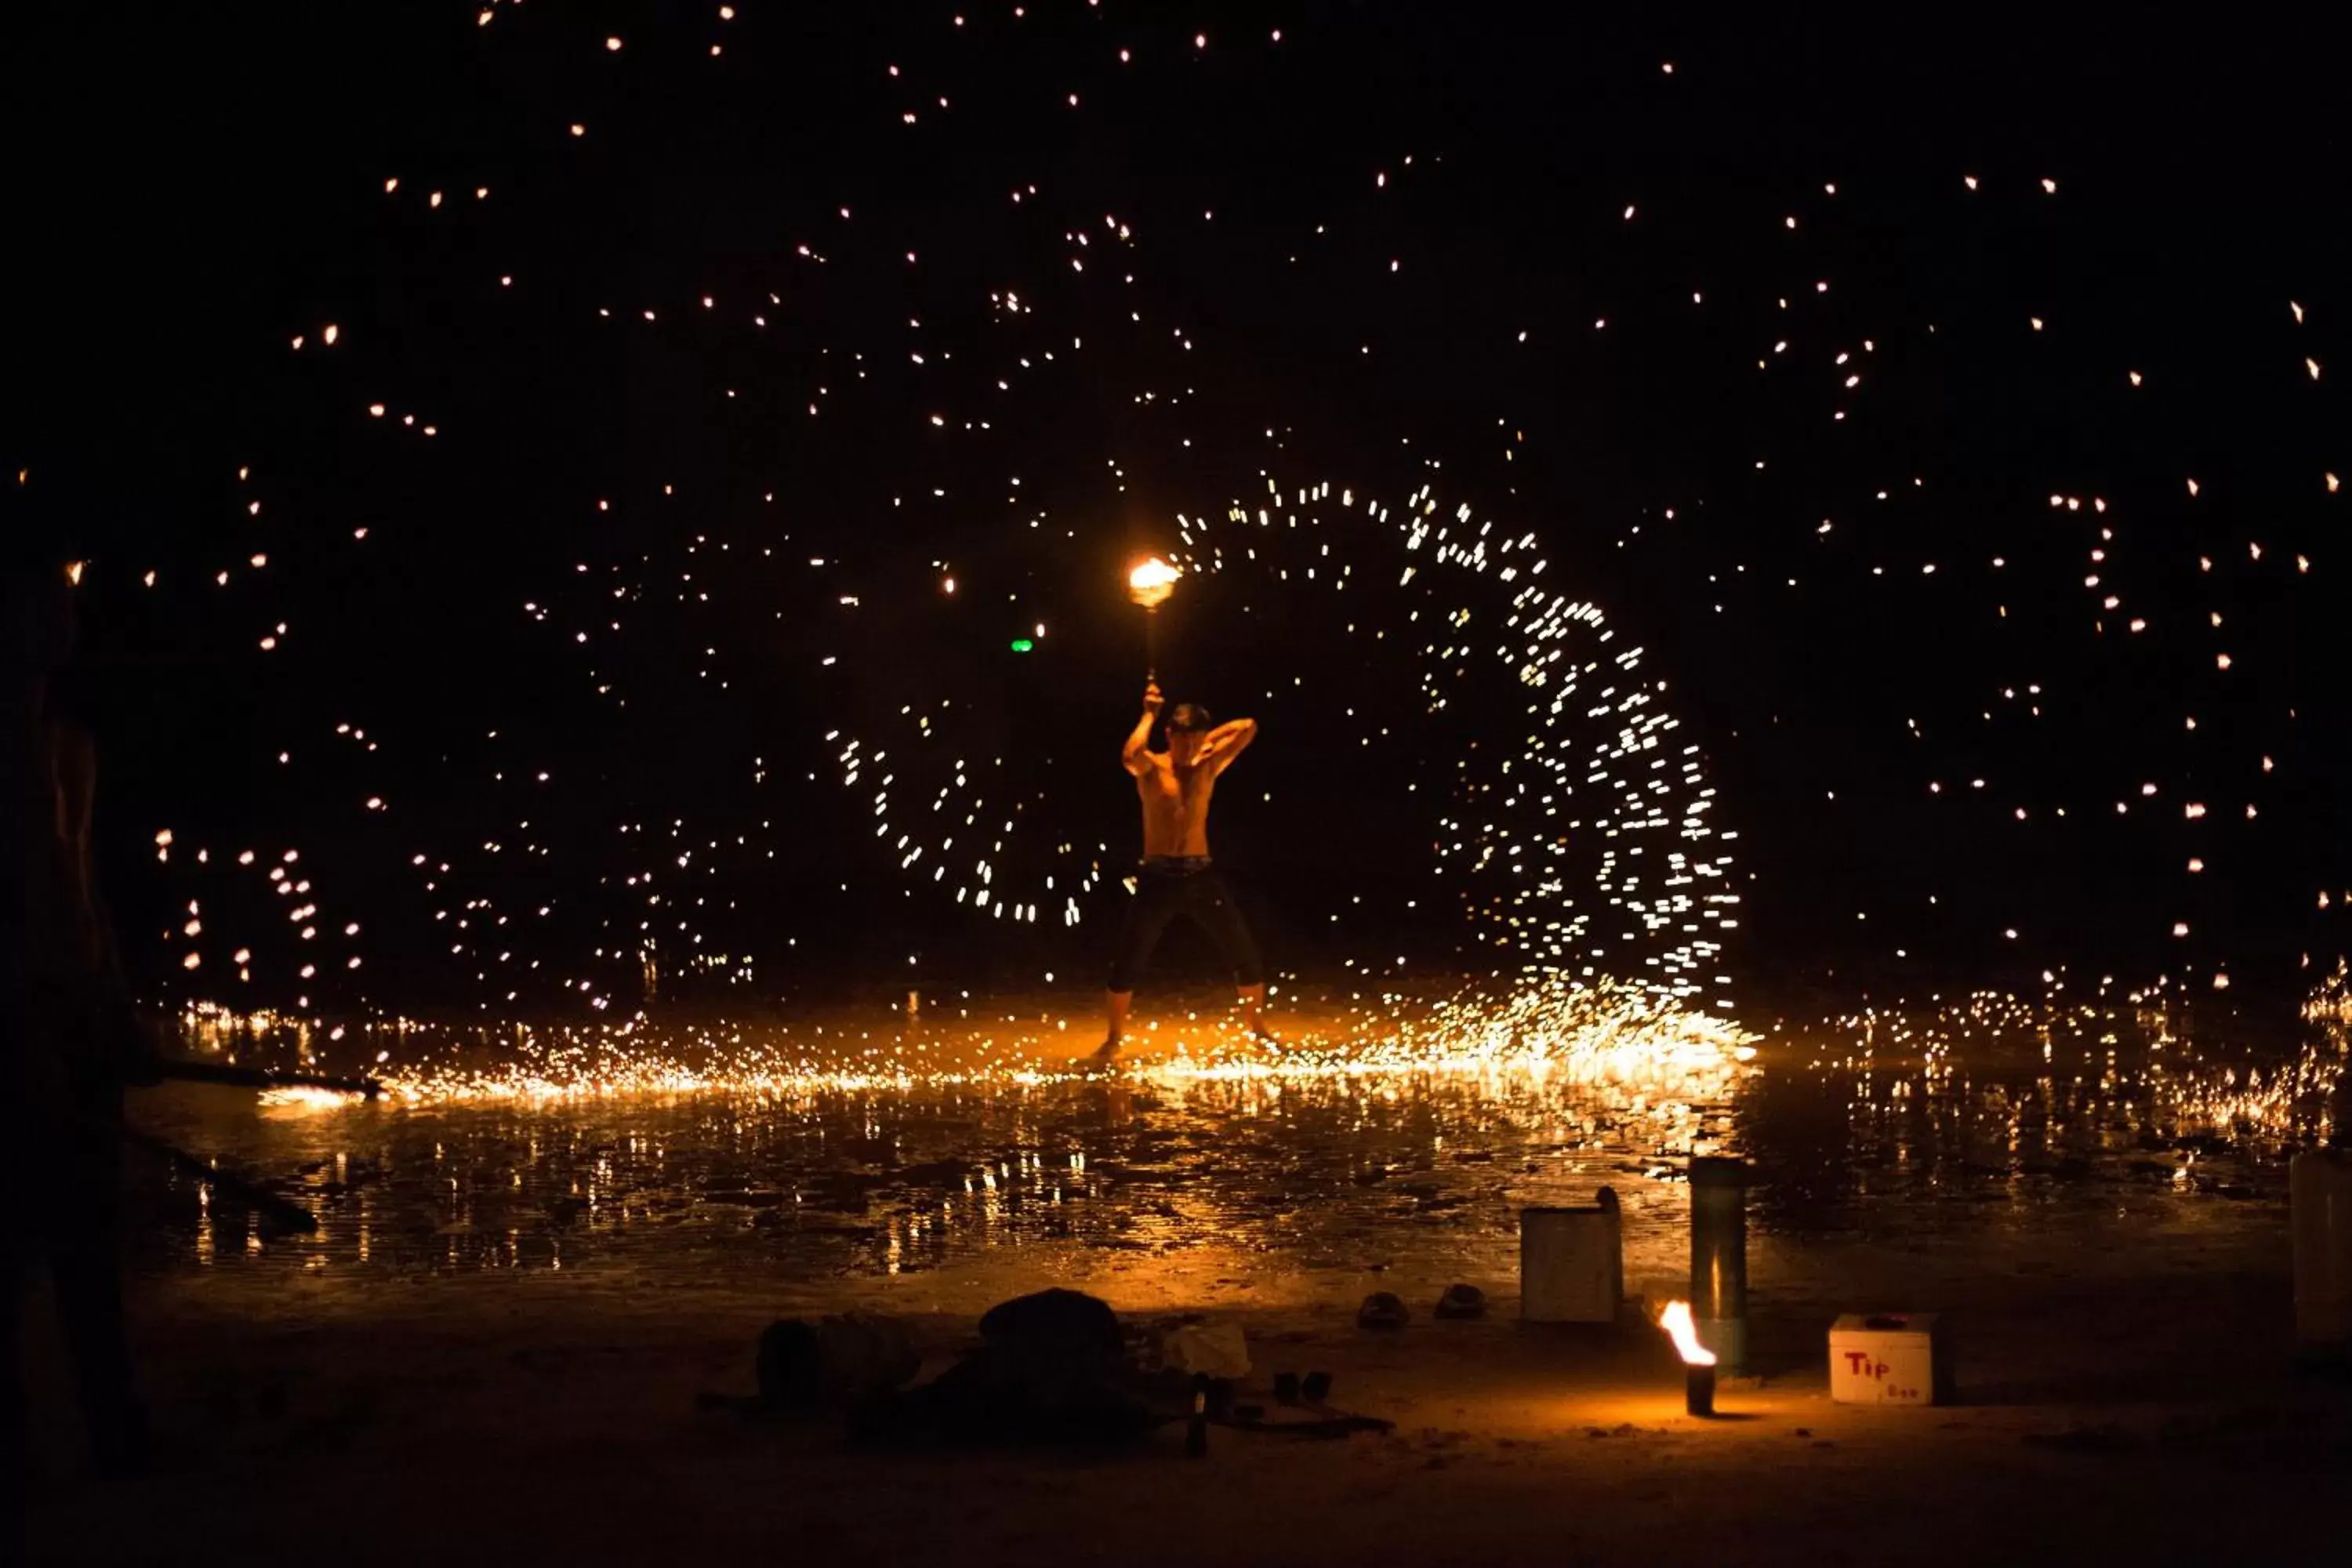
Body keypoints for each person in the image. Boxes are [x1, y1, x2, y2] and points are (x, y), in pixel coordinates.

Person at [3, 557, 155, 1500]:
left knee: (90, 1240)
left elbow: (82, 892)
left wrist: (117, 1009)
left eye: (64, 593)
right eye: (38, 592)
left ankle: (118, 1436)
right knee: (16, 1243)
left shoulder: (68, 738)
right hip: (15, 1017)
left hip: (74, 1009)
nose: (61, 610)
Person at [1095, 680, 1271, 1062]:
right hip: (1158, 877)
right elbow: (1129, 755)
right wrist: (1149, 714)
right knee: (1128, 962)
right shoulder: (1152, 768)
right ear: (1169, 736)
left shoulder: (1209, 765)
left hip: (1200, 876)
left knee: (1245, 955)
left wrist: (1208, 740)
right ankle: (1113, 1038)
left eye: (1196, 740)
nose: (1190, 748)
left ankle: (1258, 1031)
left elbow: (1249, 726)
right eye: (1183, 740)